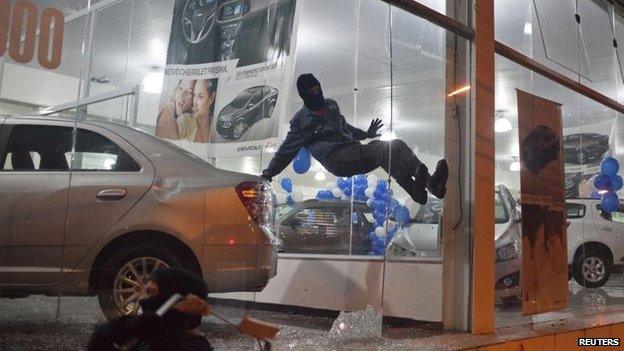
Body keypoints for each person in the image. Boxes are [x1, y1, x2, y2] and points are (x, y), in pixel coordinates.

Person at [261, 73, 448, 205]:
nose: (317, 94)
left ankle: (432, 186)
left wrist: (366, 134)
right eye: (312, 92)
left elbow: (345, 127)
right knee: (382, 151)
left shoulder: (331, 106)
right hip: (336, 160)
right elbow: (286, 151)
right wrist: (269, 173)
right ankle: (415, 189)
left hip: (353, 150)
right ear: (304, 96)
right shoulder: (300, 122)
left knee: (395, 146)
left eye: (318, 89)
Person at [88, 267, 213, 351]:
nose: (142, 299)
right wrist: (127, 326)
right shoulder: (142, 332)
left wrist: (173, 319)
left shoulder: (197, 346)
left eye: (150, 292)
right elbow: (97, 343)